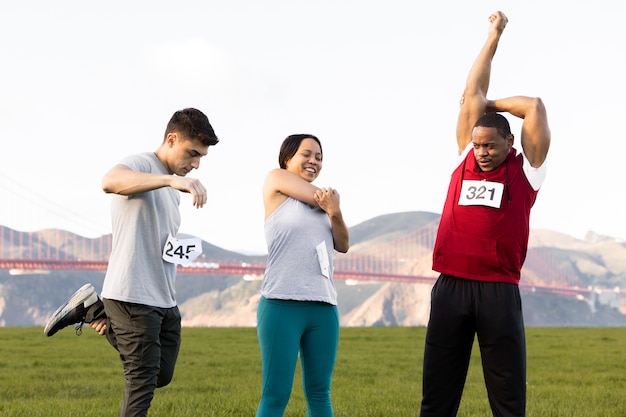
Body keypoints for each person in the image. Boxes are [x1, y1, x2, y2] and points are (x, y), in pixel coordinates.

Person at [43, 107, 219, 417]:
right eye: (192, 153)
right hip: (131, 296)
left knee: (161, 374)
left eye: (201, 157)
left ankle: (91, 309)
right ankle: (96, 309)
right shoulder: (142, 164)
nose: (196, 164)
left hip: (165, 299)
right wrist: (168, 180)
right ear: (171, 139)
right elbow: (109, 181)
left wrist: (180, 248)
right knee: (141, 380)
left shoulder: (173, 190)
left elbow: (157, 239)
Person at [420, 11, 551, 417]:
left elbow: (533, 106)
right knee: (438, 395)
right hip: (451, 287)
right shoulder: (465, 157)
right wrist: (494, 35)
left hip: (498, 290)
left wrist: (489, 104)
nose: (481, 152)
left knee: (507, 397)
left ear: (509, 141)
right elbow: (471, 88)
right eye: (477, 145)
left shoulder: (526, 168)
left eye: (490, 145)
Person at [256, 134, 350, 417]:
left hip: (323, 307)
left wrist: (335, 213)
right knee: (275, 395)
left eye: (319, 157)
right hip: (281, 304)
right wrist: (330, 202)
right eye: (306, 154)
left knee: (320, 394)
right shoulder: (276, 180)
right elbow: (320, 197)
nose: (314, 161)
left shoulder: (325, 210)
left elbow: (343, 244)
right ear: (287, 159)